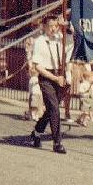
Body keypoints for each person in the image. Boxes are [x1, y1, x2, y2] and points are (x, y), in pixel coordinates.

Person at [28, 14, 67, 154]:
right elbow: (37, 66)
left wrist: (65, 26)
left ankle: (37, 133)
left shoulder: (59, 38)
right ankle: (57, 143)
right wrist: (54, 78)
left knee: (51, 109)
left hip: (59, 75)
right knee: (55, 109)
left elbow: (74, 37)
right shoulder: (39, 41)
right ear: (44, 27)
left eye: (55, 26)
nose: (53, 29)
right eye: (50, 26)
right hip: (46, 77)